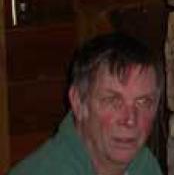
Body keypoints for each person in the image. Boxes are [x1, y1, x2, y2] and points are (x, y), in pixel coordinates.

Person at [10, 33, 163, 175]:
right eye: (113, 101)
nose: (130, 120)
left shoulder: (143, 165)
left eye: (143, 102)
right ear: (78, 103)